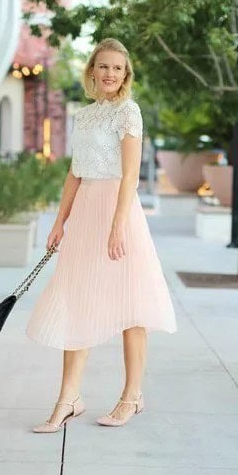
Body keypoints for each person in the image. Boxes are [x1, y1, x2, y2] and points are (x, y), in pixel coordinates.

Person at [26, 37, 177, 433]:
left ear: (125, 75)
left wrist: (117, 224)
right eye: (103, 66)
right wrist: (59, 222)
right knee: (75, 301)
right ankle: (68, 400)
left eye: (117, 68)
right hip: (86, 213)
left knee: (133, 305)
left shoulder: (129, 113)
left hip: (119, 212)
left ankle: (132, 397)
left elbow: (130, 175)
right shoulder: (85, 116)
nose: (110, 73)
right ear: (92, 70)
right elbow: (75, 173)